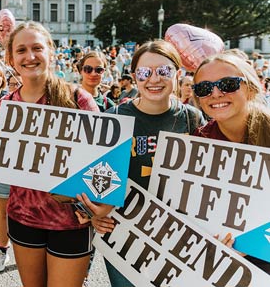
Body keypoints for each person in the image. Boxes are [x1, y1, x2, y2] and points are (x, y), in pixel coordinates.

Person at [0, 22, 107, 287]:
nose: (30, 57)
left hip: (72, 221)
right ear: (11, 58)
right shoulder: (5, 106)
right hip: (23, 220)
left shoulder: (78, 99)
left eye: (37, 48)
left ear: (51, 51)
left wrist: (102, 207)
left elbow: (103, 163)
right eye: (22, 50)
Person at [99, 40, 205, 286]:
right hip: (125, 236)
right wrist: (92, 215)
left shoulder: (192, 118)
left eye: (164, 71)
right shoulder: (113, 118)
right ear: (135, 76)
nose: (153, 79)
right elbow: (91, 182)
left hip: (178, 237)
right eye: (145, 73)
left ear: (178, 74)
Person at [193, 53, 270, 274]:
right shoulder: (200, 139)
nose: (216, 93)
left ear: (251, 88)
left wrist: (250, 244)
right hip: (220, 264)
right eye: (204, 88)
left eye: (228, 84)